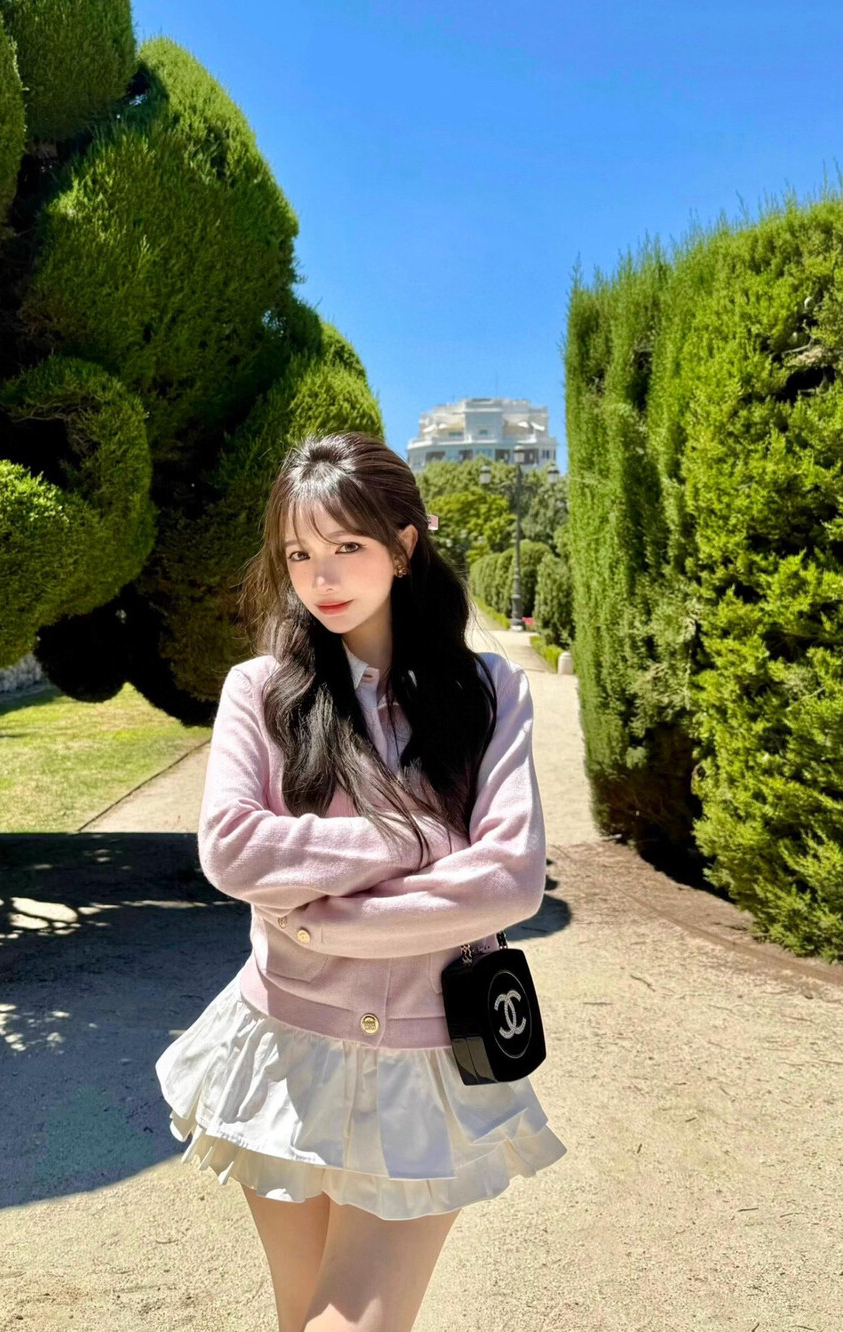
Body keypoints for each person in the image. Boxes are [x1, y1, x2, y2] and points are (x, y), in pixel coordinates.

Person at [154, 430, 567, 1332]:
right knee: (300, 1315)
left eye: (346, 545)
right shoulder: (261, 691)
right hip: (285, 1048)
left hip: (428, 1057)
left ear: (403, 546)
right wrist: (415, 839)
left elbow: (508, 879)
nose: (323, 576)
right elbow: (233, 849)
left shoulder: (488, 691)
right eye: (300, 554)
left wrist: (321, 919)